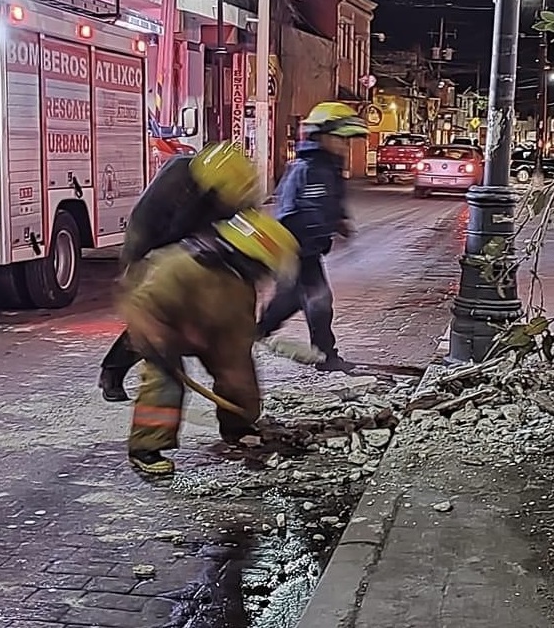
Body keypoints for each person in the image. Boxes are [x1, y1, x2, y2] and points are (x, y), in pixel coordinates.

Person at [120, 208, 299, 476]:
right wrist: (157, 339)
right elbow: (140, 305)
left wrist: (235, 373)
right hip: (164, 328)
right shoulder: (179, 266)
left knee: (240, 372)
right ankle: (145, 449)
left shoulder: (239, 284)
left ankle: (238, 426)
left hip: (209, 331)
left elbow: (237, 336)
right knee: (165, 385)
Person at [98, 142, 261, 402]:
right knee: (154, 316)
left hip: (190, 254)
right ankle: (112, 372)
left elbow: (240, 228)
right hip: (154, 247)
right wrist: (136, 271)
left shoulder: (231, 185)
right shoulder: (176, 183)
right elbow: (143, 229)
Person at [257, 101, 369, 372]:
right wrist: (315, 229)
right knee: (317, 299)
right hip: (294, 249)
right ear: (322, 137)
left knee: (294, 299)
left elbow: (331, 201)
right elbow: (291, 211)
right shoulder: (304, 169)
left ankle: (258, 333)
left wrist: (339, 220)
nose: (344, 146)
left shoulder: (329, 168)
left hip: (309, 249)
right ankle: (325, 356)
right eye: (340, 140)